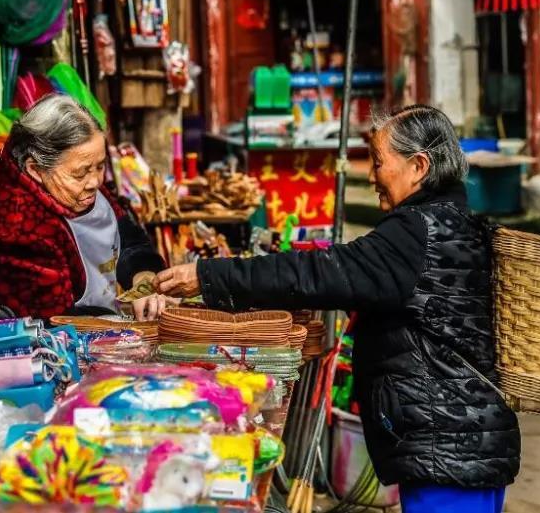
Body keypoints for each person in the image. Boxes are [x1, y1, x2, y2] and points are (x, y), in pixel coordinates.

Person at [154, 105, 520, 512]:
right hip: (469, 441)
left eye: (379, 162)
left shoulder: (415, 233)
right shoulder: (453, 223)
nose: (371, 176)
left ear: (418, 166)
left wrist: (208, 276)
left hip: (448, 448)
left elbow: (318, 272)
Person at [0, 94, 175, 321]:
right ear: (35, 169)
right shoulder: (13, 226)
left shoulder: (72, 180)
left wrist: (144, 278)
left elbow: (125, 236)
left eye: (100, 166)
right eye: (82, 173)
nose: (96, 182)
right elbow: (53, 319)